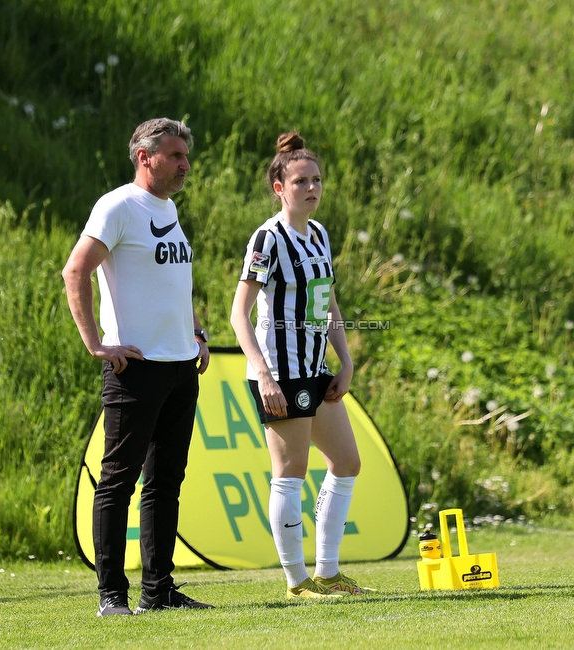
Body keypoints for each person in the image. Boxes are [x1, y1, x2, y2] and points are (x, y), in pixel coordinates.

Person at [62, 117, 213, 616]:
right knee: (118, 481)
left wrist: (196, 333)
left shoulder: (167, 209)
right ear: (144, 157)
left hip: (178, 367)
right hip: (135, 368)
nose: (184, 165)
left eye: (185, 156)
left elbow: (174, 281)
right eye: (174, 156)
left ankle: (159, 591)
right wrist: (97, 345)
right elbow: (75, 270)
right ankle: (111, 596)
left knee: (166, 481)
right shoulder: (118, 206)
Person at [230, 132, 376, 600]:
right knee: (291, 470)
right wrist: (264, 373)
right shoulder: (267, 239)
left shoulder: (319, 234)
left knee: (347, 462)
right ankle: (297, 582)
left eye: (316, 180)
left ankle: (329, 573)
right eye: (300, 181)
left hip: (316, 369)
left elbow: (328, 301)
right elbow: (239, 314)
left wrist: (346, 359)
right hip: (280, 372)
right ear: (279, 187)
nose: (310, 188)